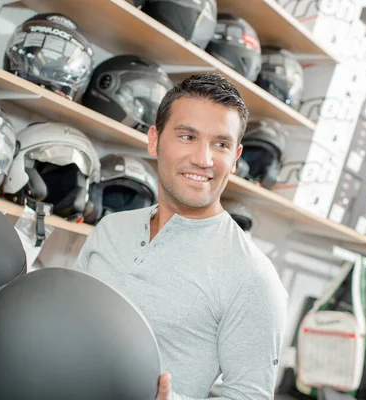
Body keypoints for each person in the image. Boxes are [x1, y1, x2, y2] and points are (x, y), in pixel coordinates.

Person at [73, 73, 288, 399]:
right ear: (154, 140)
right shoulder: (110, 229)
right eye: (188, 137)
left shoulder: (252, 276)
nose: (203, 159)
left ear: (235, 159)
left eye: (221, 144)